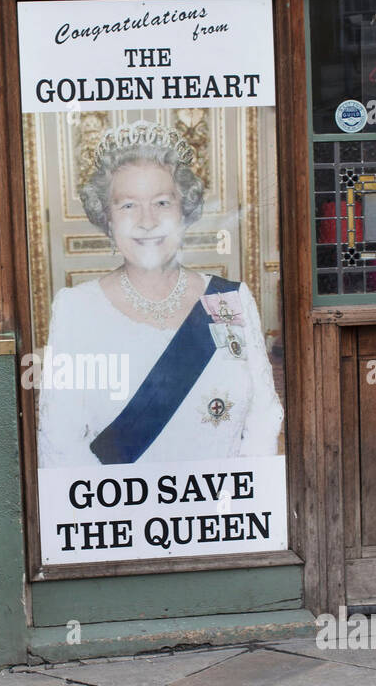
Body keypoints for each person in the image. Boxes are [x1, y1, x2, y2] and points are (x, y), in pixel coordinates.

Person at [37, 120, 283, 467]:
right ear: (107, 219)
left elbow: (263, 420)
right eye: (127, 206)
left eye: (163, 202)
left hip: (219, 511)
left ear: (185, 211)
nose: (147, 221)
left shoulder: (229, 300)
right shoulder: (76, 309)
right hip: (120, 513)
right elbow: (60, 443)